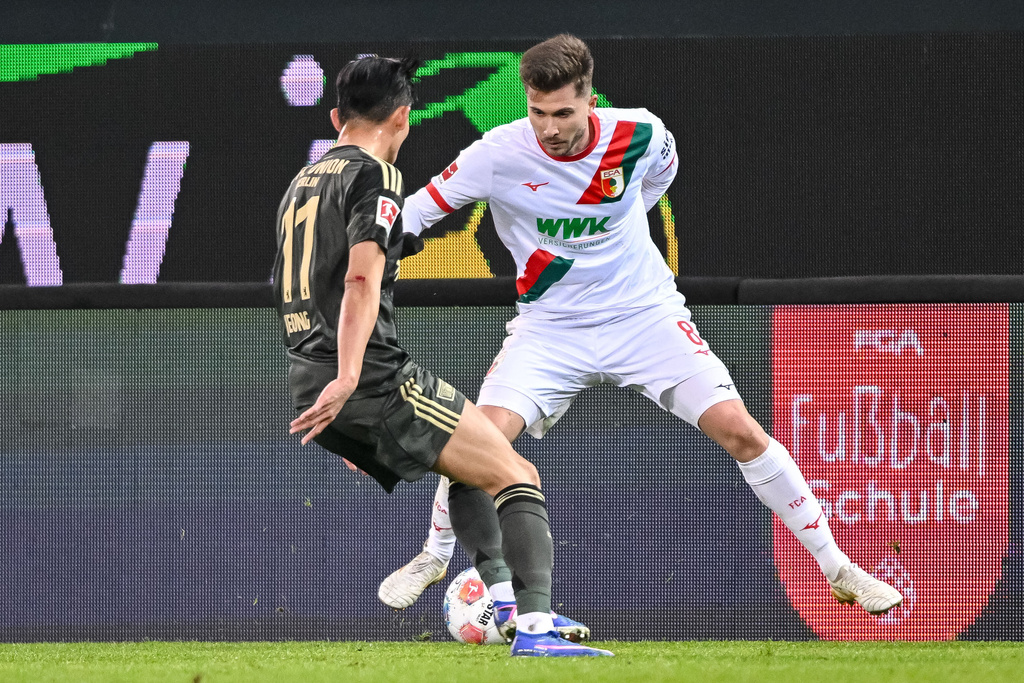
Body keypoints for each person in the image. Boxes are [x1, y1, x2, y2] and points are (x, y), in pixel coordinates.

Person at [378, 34, 903, 620]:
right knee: (477, 440)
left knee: (743, 432)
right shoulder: (497, 154)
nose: (549, 128)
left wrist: (624, 229)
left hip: (645, 316)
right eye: (537, 112)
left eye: (562, 113)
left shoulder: (642, 133)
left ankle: (839, 569)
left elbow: (657, 181)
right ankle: (433, 555)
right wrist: (360, 249)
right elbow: (417, 213)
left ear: (589, 99)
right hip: (550, 328)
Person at [274, 54, 612, 657]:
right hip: (370, 376)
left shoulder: (301, 181)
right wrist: (352, 381)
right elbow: (359, 281)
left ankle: (504, 604)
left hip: (309, 375)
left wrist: (337, 398)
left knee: (469, 463)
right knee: (516, 473)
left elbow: (292, 289)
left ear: (335, 117)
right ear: (403, 118)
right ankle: (535, 631)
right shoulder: (376, 177)